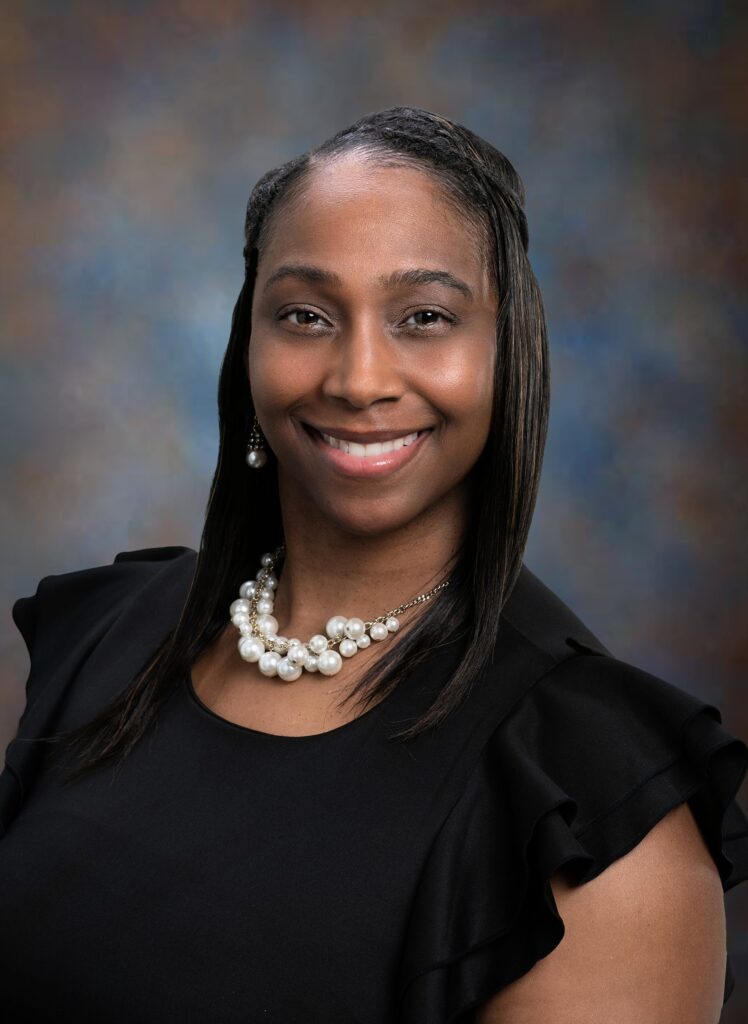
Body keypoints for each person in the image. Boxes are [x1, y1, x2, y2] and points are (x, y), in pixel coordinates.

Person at [2, 106, 747, 1023]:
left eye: (425, 317)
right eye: (306, 315)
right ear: (250, 345)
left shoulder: (589, 813)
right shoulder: (111, 640)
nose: (358, 379)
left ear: (507, 352)